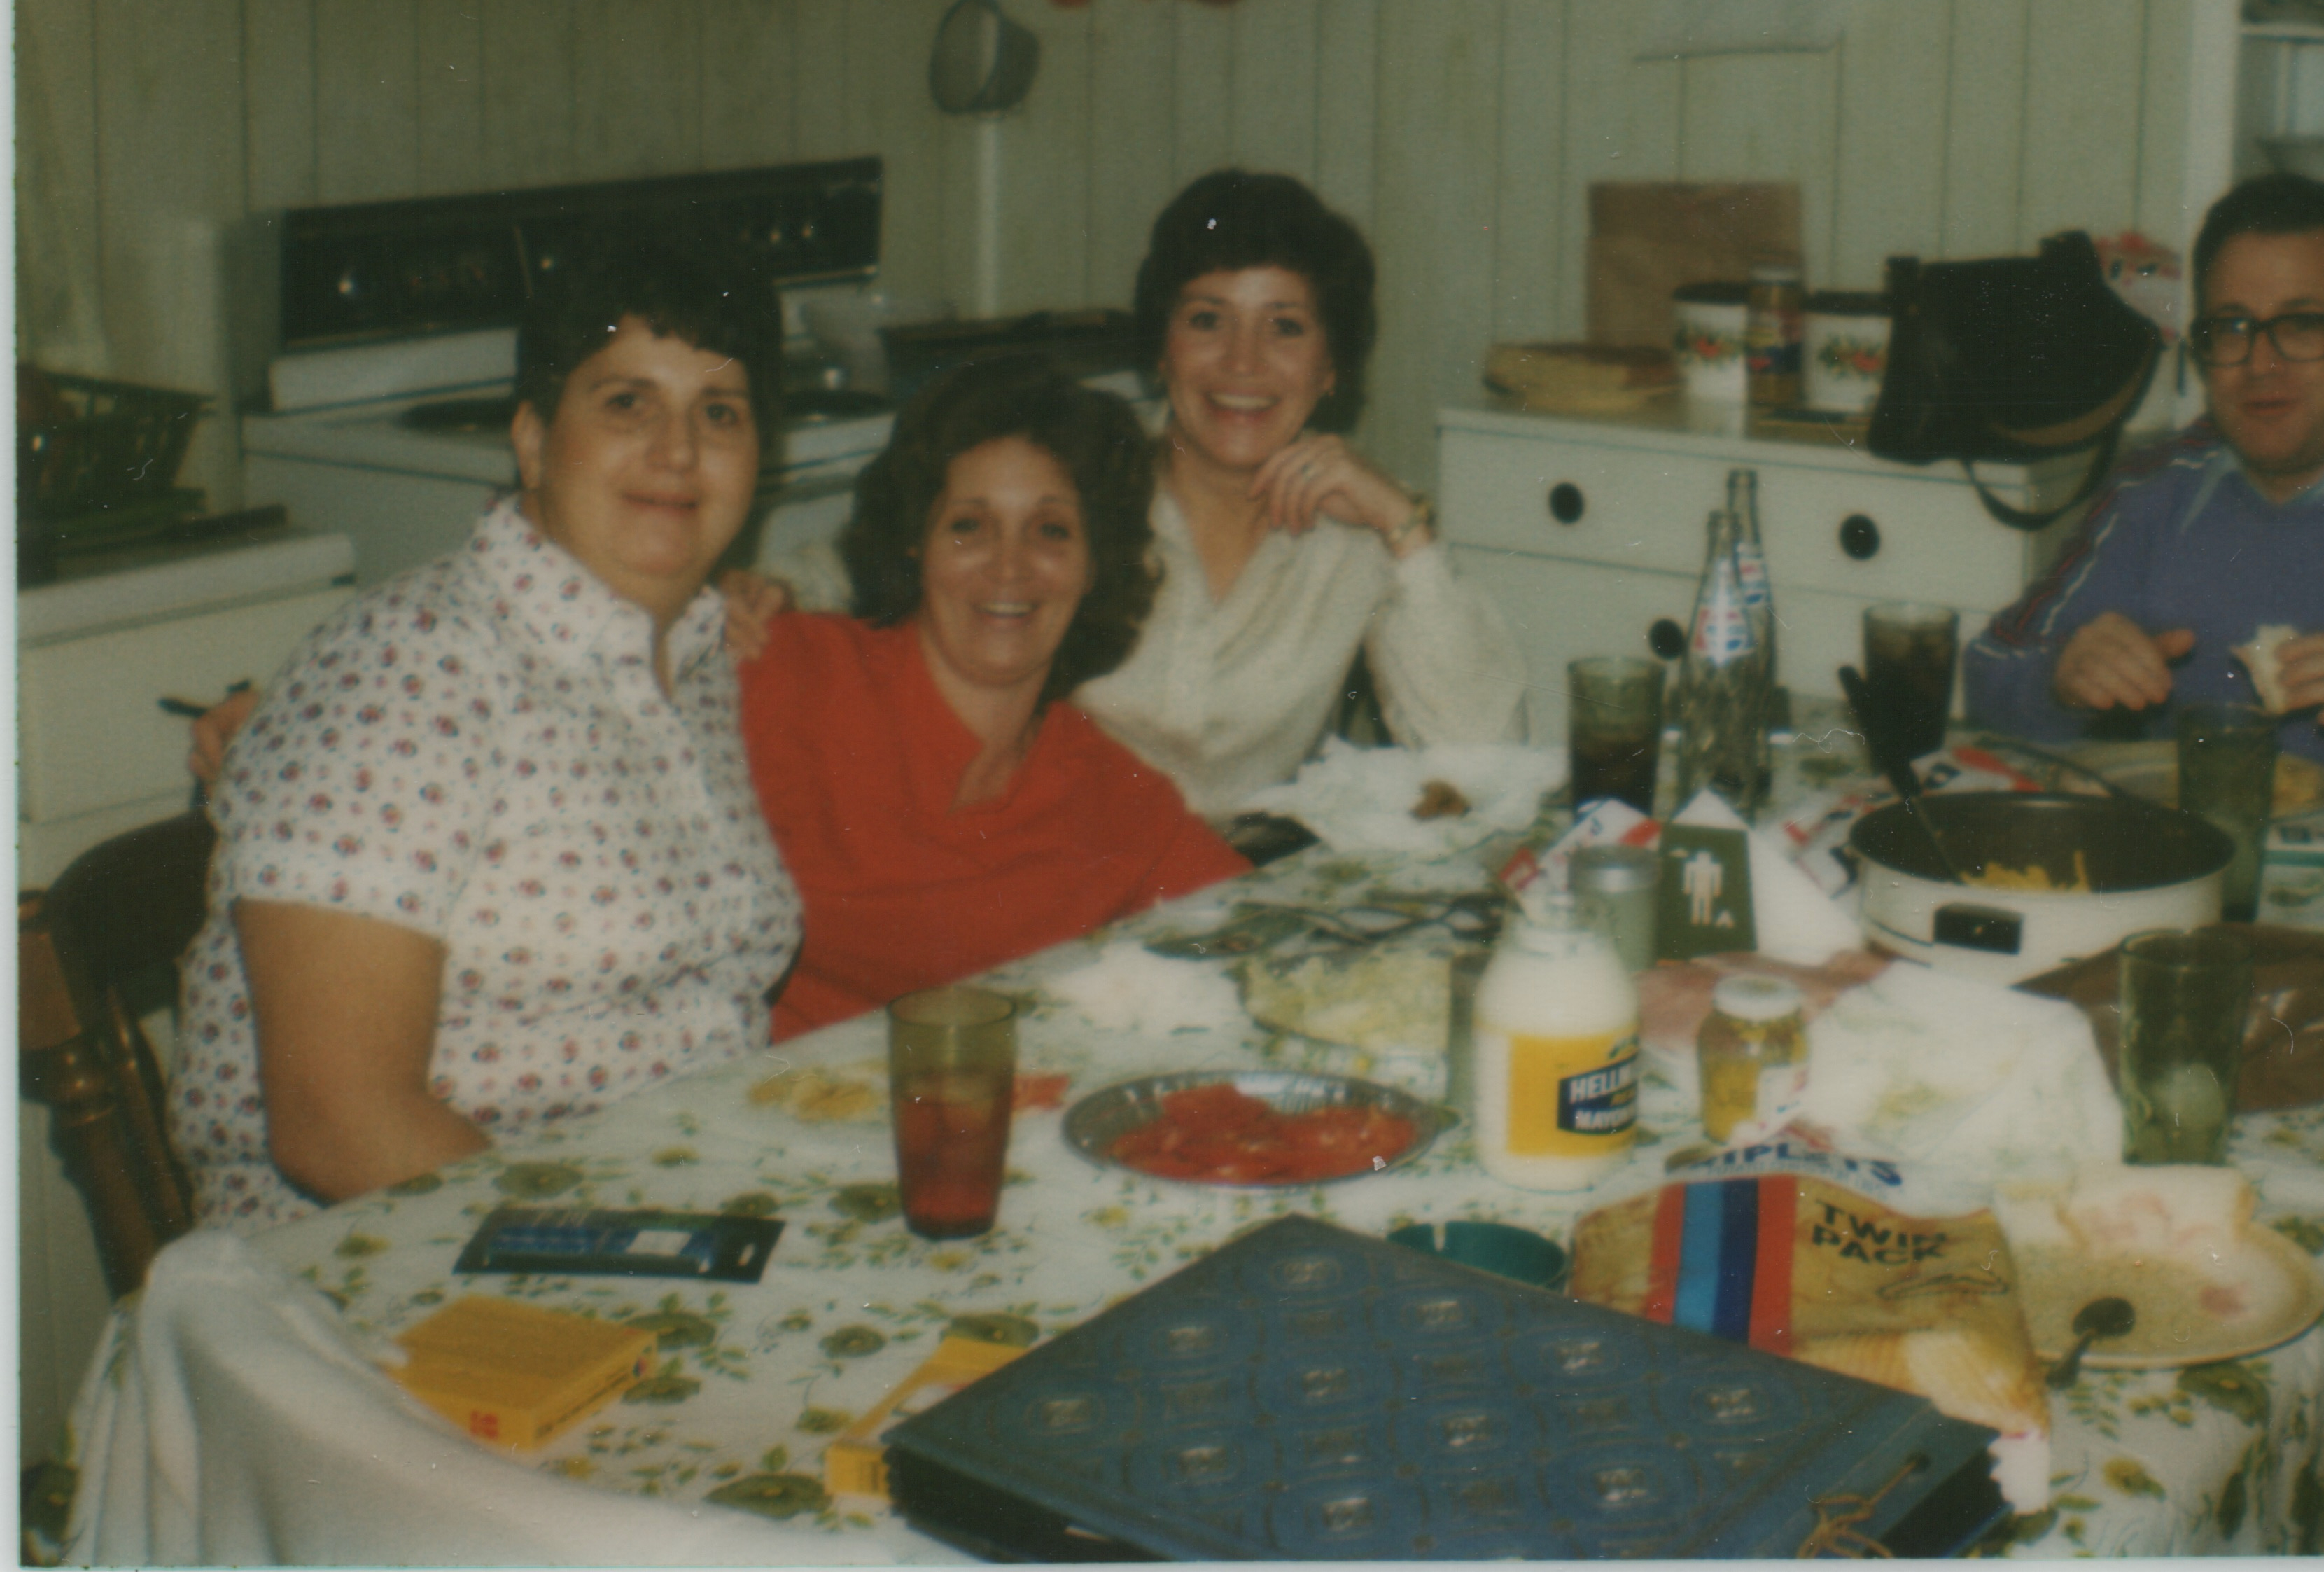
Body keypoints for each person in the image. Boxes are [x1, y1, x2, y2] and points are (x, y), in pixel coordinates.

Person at [169, 239, 803, 1232]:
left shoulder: (693, 655)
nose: (678, 450)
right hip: (386, 1259)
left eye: (719, 411)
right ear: (534, 440)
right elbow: (338, 1126)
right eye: (627, 402)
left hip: (656, 1210)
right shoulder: (410, 667)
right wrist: (634, 1255)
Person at [758, 170, 1527, 812]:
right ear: (1161, 349)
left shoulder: (1361, 533)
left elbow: (1484, 761)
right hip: (1053, 869)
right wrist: (769, 593)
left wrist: (1406, 529)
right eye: (1207, 320)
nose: (1243, 361)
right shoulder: (1077, 469)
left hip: (1234, 895)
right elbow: (859, 562)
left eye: (1285, 327)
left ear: (1330, 370)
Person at [1961, 172, 2324, 790]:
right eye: (2230, 328)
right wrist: (2060, 680)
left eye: (2301, 325)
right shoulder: (2152, 492)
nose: (2260, 364)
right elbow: (1990, 669)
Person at [742, 362, 1247, 1038]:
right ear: (916, 541)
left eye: (1051, 530)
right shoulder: (787, 674)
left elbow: (1262, 930)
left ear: (1094, 564)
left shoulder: (1113, 794)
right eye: (969, 526)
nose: (1009, 566)